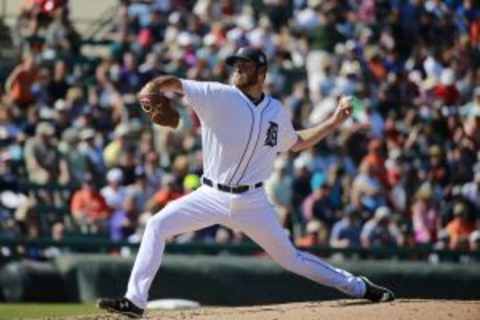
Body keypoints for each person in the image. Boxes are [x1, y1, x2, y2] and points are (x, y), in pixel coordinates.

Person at [98, 47, 394, 318]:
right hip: (210, 194)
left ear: (262, 72)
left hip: (253, 203)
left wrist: (333, 122)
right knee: (156, 225)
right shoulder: (218, 94)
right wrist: (151, 89)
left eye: (245, 65)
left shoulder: (276, 111)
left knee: (291, 259)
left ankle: (358, 287)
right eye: (236, 64)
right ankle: (135, 301)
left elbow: (295, 142)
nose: (238, 68)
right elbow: (174, 83)